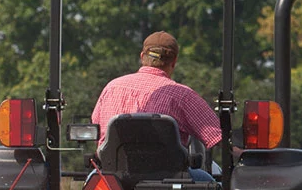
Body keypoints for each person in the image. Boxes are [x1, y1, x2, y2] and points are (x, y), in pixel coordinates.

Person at [89, 31, 223, 150]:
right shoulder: (183, 95)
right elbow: (217, 136)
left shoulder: (112, 87)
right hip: (168, 175)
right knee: (208, 177)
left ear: (142, 56)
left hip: (111, 174)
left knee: (90, 178)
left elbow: (96, 126)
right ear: (174, 61)